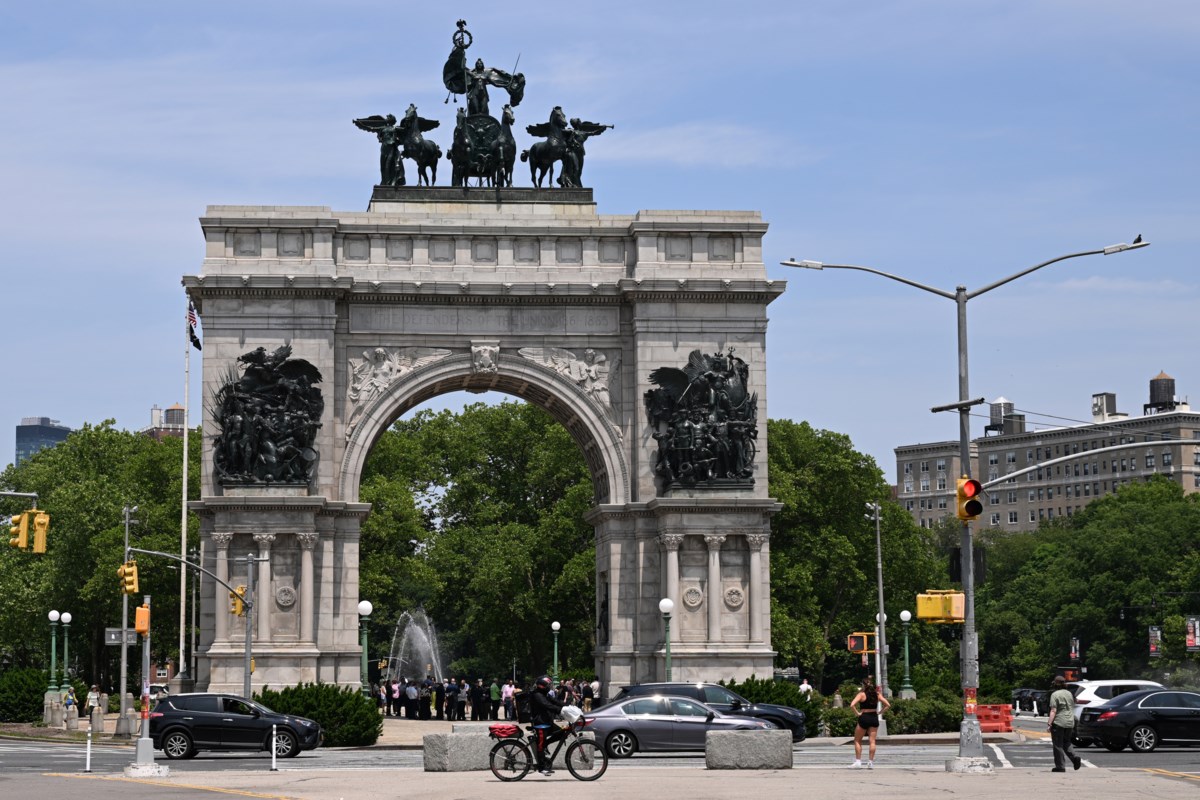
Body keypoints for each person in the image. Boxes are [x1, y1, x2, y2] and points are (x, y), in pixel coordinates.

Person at [849, 676, 891, 768]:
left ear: (863, 685)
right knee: (872, 741)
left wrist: (857, 713)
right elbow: (887, 705)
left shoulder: (861, 694)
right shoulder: (877, 694)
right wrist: (880, 712)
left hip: (864, 717)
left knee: (857, 740)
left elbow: (852, 705)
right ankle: (870, 762)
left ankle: (858, 762)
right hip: (873, 717)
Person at [529, 675, 566, 775]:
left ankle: (545, 744)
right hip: (540, 724)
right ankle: (542, 768)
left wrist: (567, 706)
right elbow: (547, 705)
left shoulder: (544, 693)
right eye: (548, 685)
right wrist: (559, 710)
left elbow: (554, 701)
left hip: (547, 722)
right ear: (543, 686)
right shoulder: (537, 695)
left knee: (563, 732)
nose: (549, 687)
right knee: (540, 745)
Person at [1048, 675, 1082, 772]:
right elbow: (1075, 703)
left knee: (1057, 744)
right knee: (1066, 742)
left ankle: (1060, 766)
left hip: (1059, 722)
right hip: (1070, 722)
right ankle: (1074, 757)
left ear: (1056, 684)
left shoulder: (1055, 695)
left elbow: (1053, 710)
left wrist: (1049, 723)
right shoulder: (1070, 694)